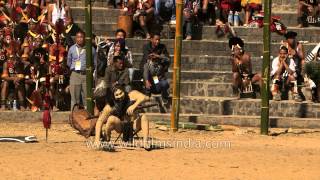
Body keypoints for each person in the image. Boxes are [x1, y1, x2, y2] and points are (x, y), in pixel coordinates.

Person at [94, 84, 151, 150]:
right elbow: (100, 121)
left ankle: (145, 142)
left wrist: (134, 105)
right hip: (120, 127)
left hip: (134, 125)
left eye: (121, 93)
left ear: (124, 91)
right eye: (117, 95)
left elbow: (146, 98)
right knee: (111, 119)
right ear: (113, 96)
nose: (119, 96)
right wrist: (96, 139)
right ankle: (106, 137)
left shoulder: (131, 95)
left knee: (144, 117)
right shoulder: (110, 106)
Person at [67, 31, 96, 108]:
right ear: (76, 38)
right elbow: (69, 62)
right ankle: (74, 116)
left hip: (86, 75)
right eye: (78, 37)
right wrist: (75, 69)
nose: (79, 39)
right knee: (75, 99)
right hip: (75, 74)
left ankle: (87, 116)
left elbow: (95, 62)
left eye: (81, 37)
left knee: (87, 98)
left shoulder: (91, 49)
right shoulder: (72, 49)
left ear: (85, 38)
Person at [142, 34, 170, 104]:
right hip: (151, 80)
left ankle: (164, 95)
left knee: (165, 83)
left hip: (157, 79)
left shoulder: (160, 63)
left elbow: (168, 59)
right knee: (147, 78)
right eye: (156, 39)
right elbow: (145, 72)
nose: (157, 41)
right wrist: (146, 80)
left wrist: (159, 56)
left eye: (159, 40)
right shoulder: (148, 63)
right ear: (151, 39)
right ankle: (147, 94)